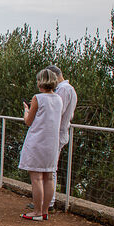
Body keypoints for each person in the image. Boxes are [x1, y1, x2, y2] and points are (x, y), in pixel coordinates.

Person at [18, 68, 63, 221]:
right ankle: (45, 211)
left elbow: (28, 121)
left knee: (36, 178)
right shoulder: (58, 99)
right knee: (49, 177)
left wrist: (26, 110)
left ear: (40, 82)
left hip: (37, 141)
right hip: (52, 142)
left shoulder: (37, 98)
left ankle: (37, 211)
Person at [45, 65, 78, 208]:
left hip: (57, 133)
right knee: (49, 168)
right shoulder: (67, 89)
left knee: (50, 168)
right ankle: (47, 201)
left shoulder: (64, 89)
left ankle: (49, 203)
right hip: (59, 132)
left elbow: (58, 111)